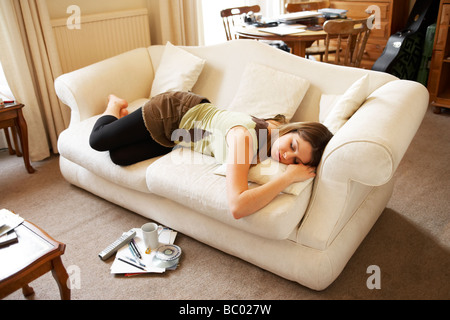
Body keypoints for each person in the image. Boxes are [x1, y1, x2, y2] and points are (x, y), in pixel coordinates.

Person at [90, 91, 333, 219]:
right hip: (172, 111)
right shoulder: (245, 139)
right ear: (291, 130)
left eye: (296, 161)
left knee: (119, 157)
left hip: (181, 136)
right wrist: (287, 178)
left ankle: (128, 121)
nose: (285, 157)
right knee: (98, 140)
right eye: (292, 145)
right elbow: (237, 207)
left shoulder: (273, 133)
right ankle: (115, 104)